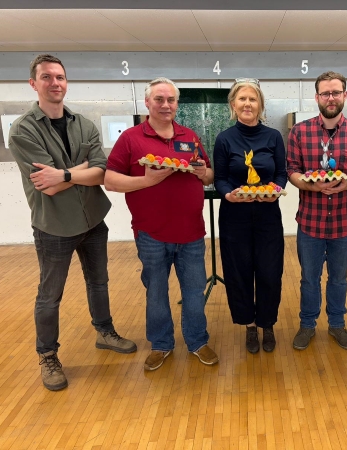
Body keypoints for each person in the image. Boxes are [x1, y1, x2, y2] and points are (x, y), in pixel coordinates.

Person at [8, 54, 136, 391]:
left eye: (60, 77)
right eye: (47, 77)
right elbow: (46, 185)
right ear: (33, 83)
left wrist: (64, 174)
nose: (55, 83)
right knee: (50, 295)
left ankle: (105, 332)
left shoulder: (84, 124)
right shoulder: (23, 130)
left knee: (99, 282)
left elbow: (102, 171)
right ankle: (48, 356)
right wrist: (82, 170)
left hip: (93, 219)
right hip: (54, 226)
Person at [105, 77, 218, 371]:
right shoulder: (131, 138)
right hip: (151, 233)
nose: (165, 105)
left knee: (194, 293)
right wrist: (147, 181)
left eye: (171, 100)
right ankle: (161, 344)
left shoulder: (189, 136)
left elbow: (208, 175)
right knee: (156, 293)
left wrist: (204, 173)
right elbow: (110, 180)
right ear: (147, 102)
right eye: (159, 99)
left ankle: (197, 341)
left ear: (177, 104)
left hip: (191, 232)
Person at [287, 71, 347, 351]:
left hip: (344, 224)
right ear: (316, 97)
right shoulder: (299, 132)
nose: (331, 98)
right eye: (325, 93)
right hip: (310, 224)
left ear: (344, 95)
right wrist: (310, 185)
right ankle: (307, 325)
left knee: (339, 279)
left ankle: (337, 324)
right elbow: (292, 170)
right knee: (309, 280)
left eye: (336, 92)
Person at [213, 78, 287, 354]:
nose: (247, 104)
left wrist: (275, 191)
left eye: (252, 99)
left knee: (269, 272)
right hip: (235, 216)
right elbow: (220, 179)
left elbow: (281, 174)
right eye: (242, 99)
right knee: (239, 272)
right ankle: (249, 325)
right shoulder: (224, 139)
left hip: (268, 215)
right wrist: (228, 194)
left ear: (260, 105)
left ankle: (267, 323)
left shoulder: (273, 136)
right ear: (233, 105)